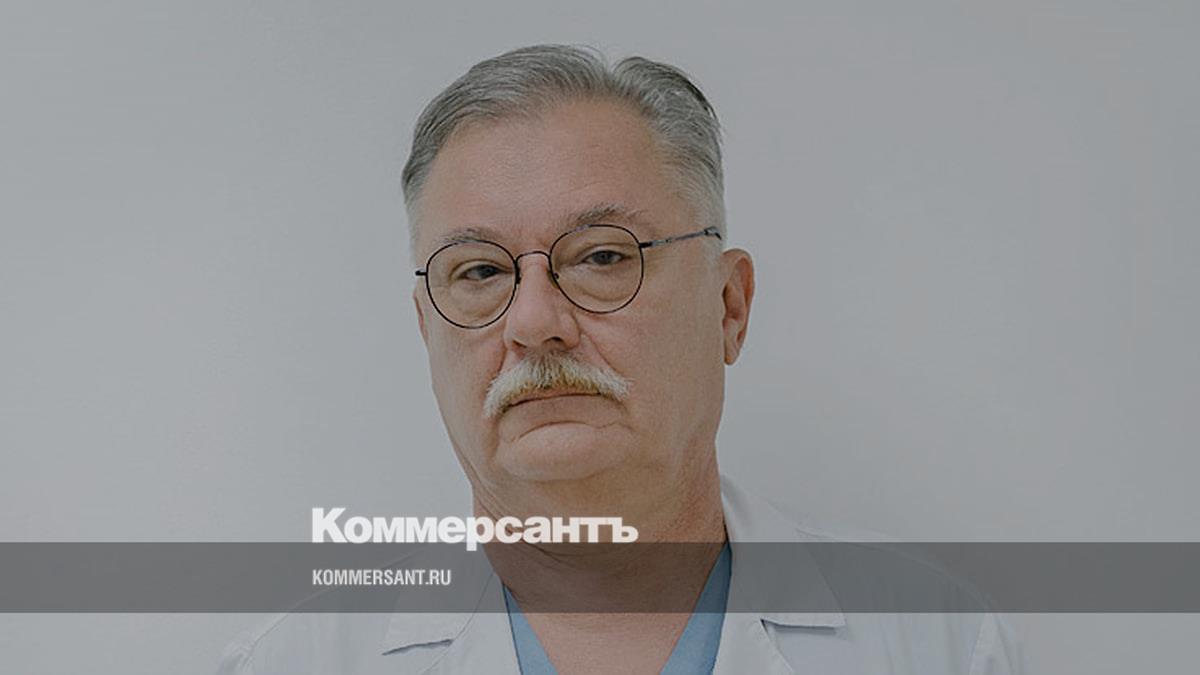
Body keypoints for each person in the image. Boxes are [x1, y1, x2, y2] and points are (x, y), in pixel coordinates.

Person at [219, 43, 1024, 674]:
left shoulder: (938, 643)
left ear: (728, 306)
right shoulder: (293, 662)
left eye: (602, 257)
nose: (534, 322)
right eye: (481, 271)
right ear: (428, 329)